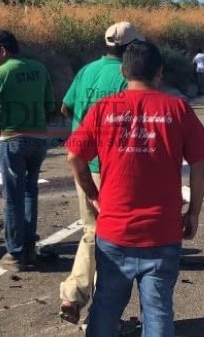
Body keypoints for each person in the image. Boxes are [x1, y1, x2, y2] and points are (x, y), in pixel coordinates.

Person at [65, 41, 204, 337]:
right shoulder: (177, 109)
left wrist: (95, 197)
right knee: (158, 309)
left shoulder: (104, 110)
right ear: (160, 72)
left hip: (114, 230)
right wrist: (193, 212)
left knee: (106, 305)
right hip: (162, 231)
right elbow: (200, 164)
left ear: (123, 72)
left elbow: (75, 158)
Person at [58, 22, 145, 325]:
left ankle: (76, 297)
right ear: (130, 48)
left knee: (92, 231)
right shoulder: (127, 77)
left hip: (82, 163)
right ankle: (88, 305)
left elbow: (66, 108)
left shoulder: (86, 71)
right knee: (107, 239)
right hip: (112, 168)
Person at [0, 30, 56, 272]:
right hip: (39, 139)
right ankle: (29, 249)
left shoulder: (1, 73)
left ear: (2, 50)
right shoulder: (40, 68)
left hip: (13, 139)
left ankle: (14, 254)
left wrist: (5, 117)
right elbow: (50, 104)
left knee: (12, 196)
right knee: (30, 192)